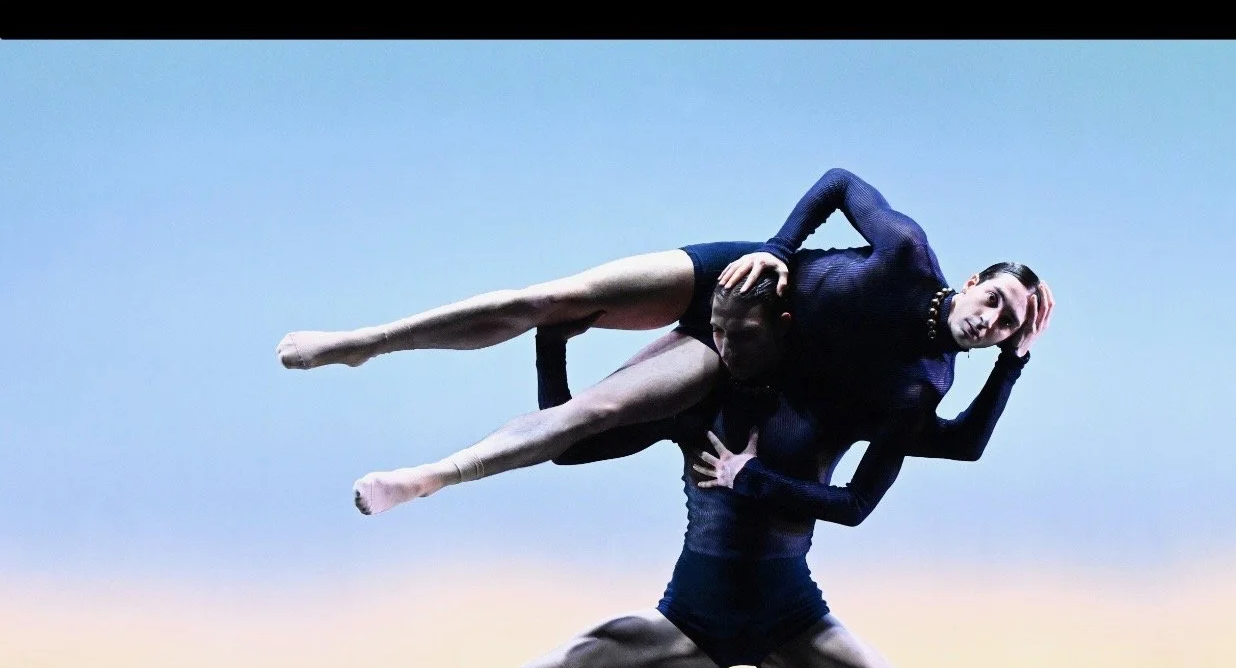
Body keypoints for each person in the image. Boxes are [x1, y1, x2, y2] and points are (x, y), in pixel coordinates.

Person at [494, 281, 1112, 668]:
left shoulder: (835, 402)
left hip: (791, 620)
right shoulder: (695, 398)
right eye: (718, 332)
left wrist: (1011, 362)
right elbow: (569, 447)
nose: (727, 346)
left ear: (784, 328)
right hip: (691, 619)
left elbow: (955, 445)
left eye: (744, 333)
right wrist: (551, 345)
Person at [277, 169, 1043, 517]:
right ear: (974, 280)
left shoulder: (925, 380)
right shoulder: (906, 253)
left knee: (597, 412)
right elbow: (841, 183)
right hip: (731, 275)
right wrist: (779, 246)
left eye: (1009, 322)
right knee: (555, 296)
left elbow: (959, 448)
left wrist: (1013, 366)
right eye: (995, 300)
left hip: (739, 354)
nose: (994, 319)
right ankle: (362, 342)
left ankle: (431, 477)